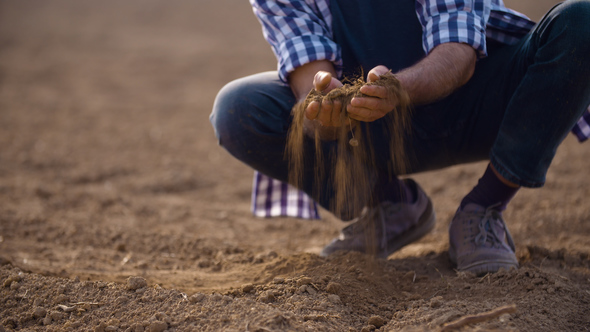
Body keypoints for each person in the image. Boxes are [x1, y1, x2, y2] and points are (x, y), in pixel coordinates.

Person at [210, 0, 590, 275]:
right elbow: (311, 82)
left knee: (580, 22)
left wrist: (397, 89)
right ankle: (391, 203)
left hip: (478, 106)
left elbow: (457, 55)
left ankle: (485, 208)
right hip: (369, 130)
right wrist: (323, 113)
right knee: (237, 107)